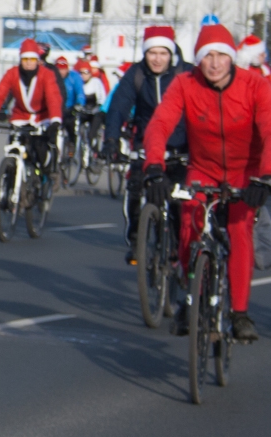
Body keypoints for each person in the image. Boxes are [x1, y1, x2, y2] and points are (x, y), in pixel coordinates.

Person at [142, 23, 271, 341]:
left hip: (246, 171)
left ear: (232, 59)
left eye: (221, 56)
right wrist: (154, 165)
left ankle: (239, 314)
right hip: (204, 169)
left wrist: (264, 177)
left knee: (241, 230)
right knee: (189, 221)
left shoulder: (255, 85)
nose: (214, 63)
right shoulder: (185, 84)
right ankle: (190, 297)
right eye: (207, 56)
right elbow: (161, 122)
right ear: (198, 59)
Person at [105, 25, 192, 263]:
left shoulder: (185, 74)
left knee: (179, 202)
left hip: (181, 145)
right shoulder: (136, 74)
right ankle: (137, 240)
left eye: (163, 53)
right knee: (135, 191)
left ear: (171, 54)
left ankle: (175, 248)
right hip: (146, 143)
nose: (157, 59)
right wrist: (111, 139)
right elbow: (118, 107)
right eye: (152, 53)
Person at [0, 39, 63, 180]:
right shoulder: (12, 73)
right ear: (20, 59)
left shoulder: (46, 75)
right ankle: (9, 180)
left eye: (32, 59)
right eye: (25, 59)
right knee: (13, 146)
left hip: (42, 118)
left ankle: (45, 176)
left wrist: (55, 120)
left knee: (41, 149)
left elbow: (53, 98)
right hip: (20, 116)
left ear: (38, 60)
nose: (29, 62)